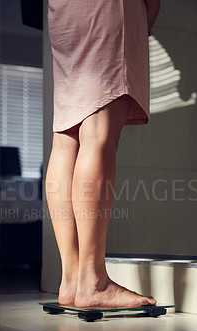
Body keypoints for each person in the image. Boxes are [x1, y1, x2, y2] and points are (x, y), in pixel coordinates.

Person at [45, 0, 161, 307]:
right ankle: (93, 281)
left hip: (65, 12)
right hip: (108, 8)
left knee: (66, 138)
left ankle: (71, 279)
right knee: (98, 133)